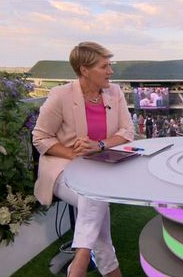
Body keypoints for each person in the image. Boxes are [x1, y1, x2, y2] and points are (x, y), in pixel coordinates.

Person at [33, 42, 134, 277]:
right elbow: (39, 137)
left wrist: (99, 145)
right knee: (95, 196)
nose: (111, 71)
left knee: (94, 196)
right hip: (61, 167)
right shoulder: (61, 95)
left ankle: (86, 262)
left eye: (110, 65)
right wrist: (72, 153)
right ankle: (81, 262)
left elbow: (128, 131)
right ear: (84, 70)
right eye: (104, 66)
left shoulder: (115, 92)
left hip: (101, 165)